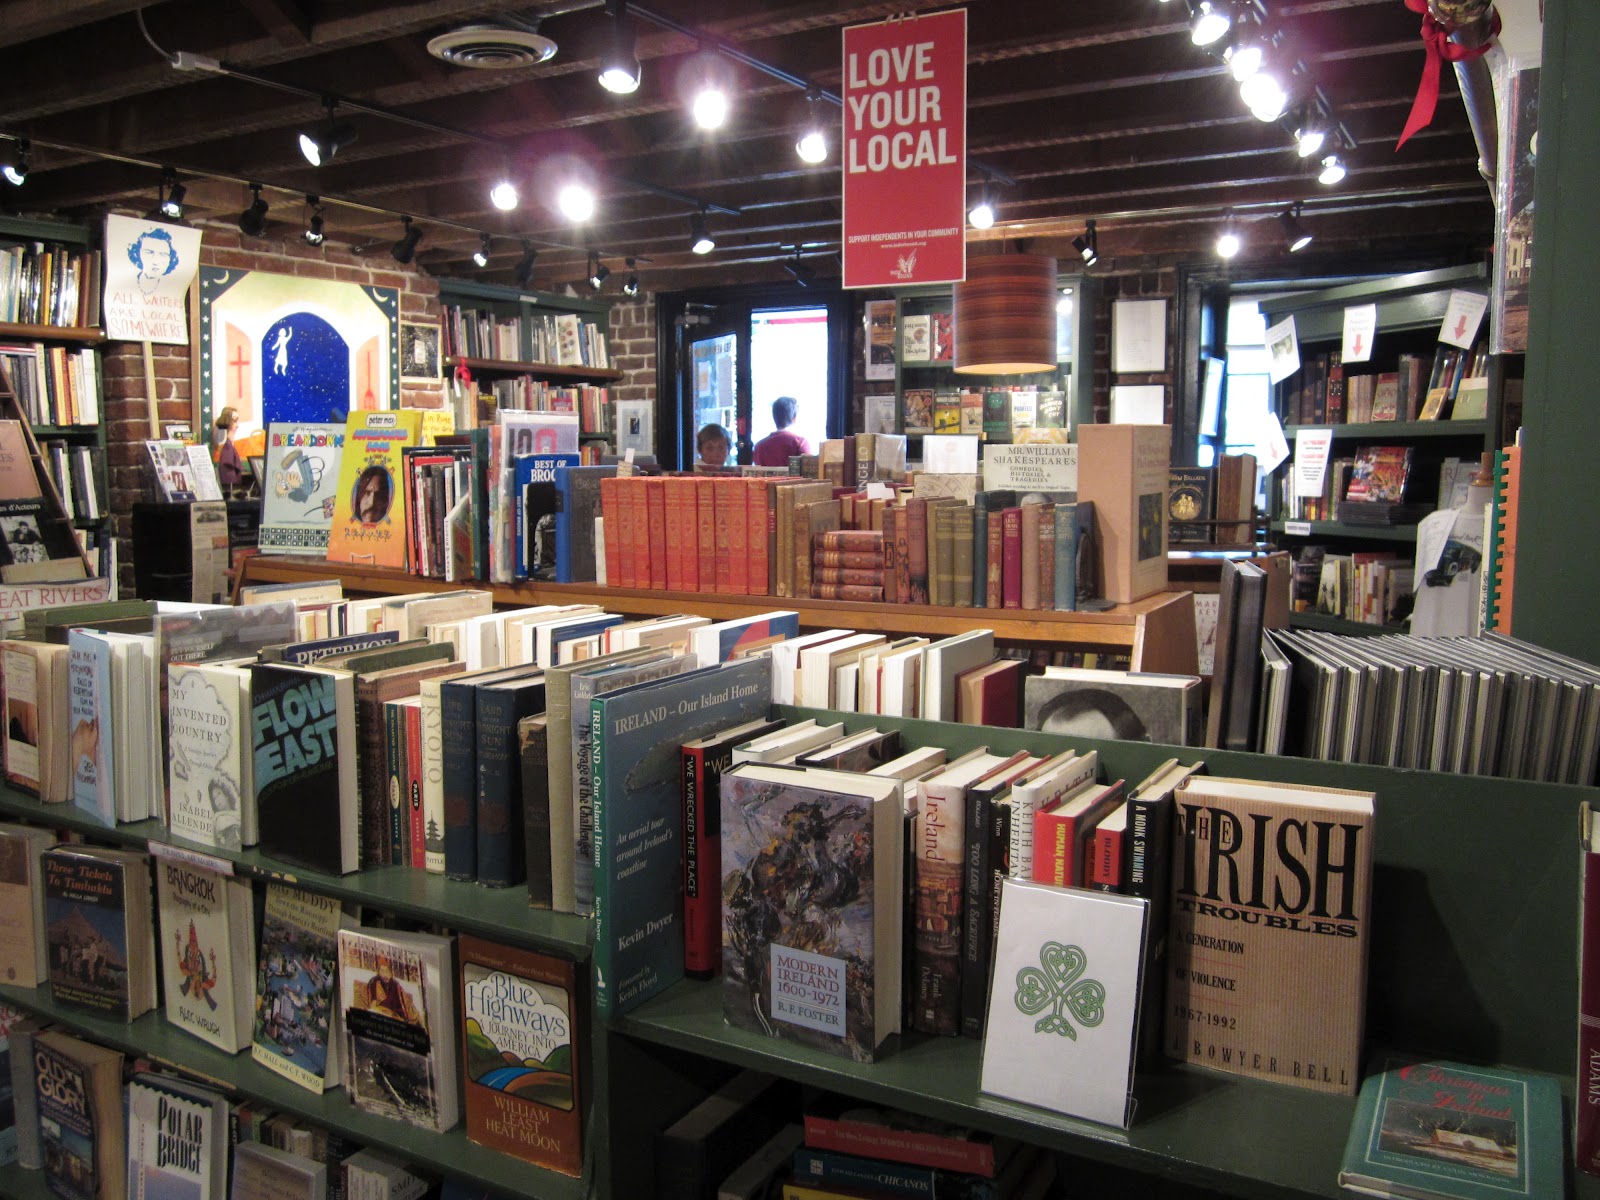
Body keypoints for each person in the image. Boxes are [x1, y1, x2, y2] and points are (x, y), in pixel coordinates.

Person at [752, 396, 810, 467]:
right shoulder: (800, 443)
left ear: (774, 417)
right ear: (794, 418)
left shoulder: (759, 446)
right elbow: (808, 471)